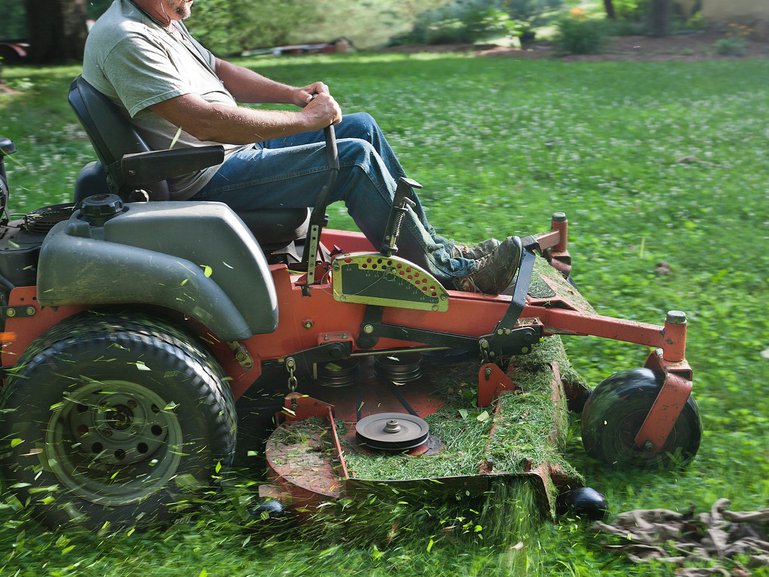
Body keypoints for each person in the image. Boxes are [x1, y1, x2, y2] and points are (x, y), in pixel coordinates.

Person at [82, 0, 521, 294]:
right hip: (204, 175)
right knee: (353, 159)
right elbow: (204, 119)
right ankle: (444, 276)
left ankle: (433, 248)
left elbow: (216, 68)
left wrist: (292, 94)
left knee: (360, 127)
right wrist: (305, 120)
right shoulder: (127, 38)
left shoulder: (160, 19)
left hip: (226, 152)